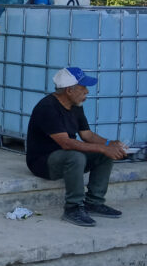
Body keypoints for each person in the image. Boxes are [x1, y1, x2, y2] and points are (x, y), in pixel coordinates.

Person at [26, 67, 126, 227]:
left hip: (66, 157)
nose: (87, 91)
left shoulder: (75, 106)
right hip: (42, 162)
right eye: (83, 88)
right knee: (76, 156)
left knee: (104, 155)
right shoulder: (47, 108)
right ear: (69, 91)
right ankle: (72, 208)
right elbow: (66, 143)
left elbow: (87, 135)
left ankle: (94, 202)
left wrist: (110, 144)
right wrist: (102, 148)